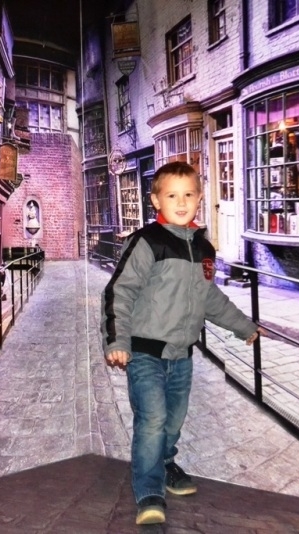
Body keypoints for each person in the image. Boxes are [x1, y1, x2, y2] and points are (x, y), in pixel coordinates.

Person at [101, 161, 263, 525]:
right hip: (144, 351)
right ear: (156, 200)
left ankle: (165, 462)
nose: (181, 202)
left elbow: (209, 298)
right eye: (172, 195)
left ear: (200, 198)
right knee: (152, 420)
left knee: (173, 421)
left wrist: (243, 326)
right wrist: (116, 340)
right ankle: (149, 492)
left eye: (188, 194)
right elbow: (119, 292)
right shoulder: (147, 242)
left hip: (181, 356)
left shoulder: (203, 248)